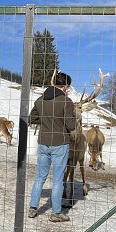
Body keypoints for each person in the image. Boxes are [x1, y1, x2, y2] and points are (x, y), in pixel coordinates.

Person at [28, 71, 76, 222]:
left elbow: (32, 118)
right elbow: (71, 125)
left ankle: (33, 208)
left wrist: (45, 122)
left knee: (40, 176)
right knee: (57, 179)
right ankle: (56, 213)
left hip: (43, 142)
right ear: (66, 86)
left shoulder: (40, 100)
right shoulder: (66, 101)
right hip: (60, 143)